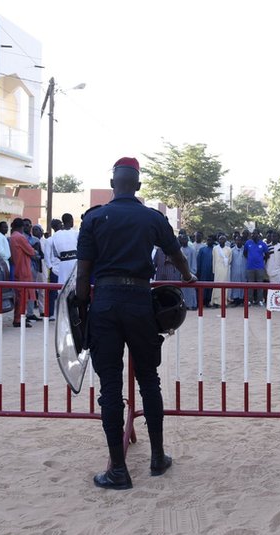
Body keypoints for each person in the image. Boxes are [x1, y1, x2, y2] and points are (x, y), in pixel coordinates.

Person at [75, 157, 195, 490]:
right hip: (141, 303)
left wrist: (83, 313)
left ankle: (118, 471)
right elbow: (176, 255)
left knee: (110, 388)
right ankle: (157, 458)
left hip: (106, 305)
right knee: (148, 380)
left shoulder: (95, 218)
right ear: (138, 186)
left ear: (113, 184)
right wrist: (188, 277)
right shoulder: (152, 218)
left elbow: (83, 274)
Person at [47, 213, 78, 318]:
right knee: (74, 288)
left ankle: (63, 313)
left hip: (63, 264)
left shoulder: (56, 235)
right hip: (74, 263)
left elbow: (55, 253)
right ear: (72, 221)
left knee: (63, 289)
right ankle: (73, 312)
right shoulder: (76, 233)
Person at [8, 218, 36, 328]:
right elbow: (31, 251)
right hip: (23, 269)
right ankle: (19, 319)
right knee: (23, 296)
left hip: (17, 268)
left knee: (19, 296)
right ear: (22, 227)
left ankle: (18, 318)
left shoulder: (12, 237)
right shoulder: (20, 237)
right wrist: (35, 251)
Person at [243, 229, 269, 305]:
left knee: (260, 285)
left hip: (260, 267)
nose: (252, 235)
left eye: (254, 234)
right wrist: (250, 259)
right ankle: (250, 301)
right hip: (250, 267)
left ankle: (260, 300)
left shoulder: (263, 244)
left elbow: (267, 254)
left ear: (258, 234)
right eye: (252, 234)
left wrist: (261, 260)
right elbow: (245, 253)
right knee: (250, 285)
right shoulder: (248, 243)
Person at [179, 233, 198, 310]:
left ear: (187, 240)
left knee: (191, 289)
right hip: (181, 273)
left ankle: (192, 304)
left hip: (190, 272)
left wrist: (193, 271)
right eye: (182, 239)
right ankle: (184, 305)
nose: (184, 241)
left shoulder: (192, 250)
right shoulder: (179, 250)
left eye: (185, 239)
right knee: (183, 290)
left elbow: (194, 262)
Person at [211, 234, 232, 307]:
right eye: (220, 239)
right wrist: (214, 270)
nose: (221, 241)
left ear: (225, 241)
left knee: (224, 285)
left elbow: (230, 260)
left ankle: (224, 302)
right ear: (218, 240)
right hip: (217, 269)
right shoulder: (215, 248)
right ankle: (216, 301)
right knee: (216, 285)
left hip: (225, 270)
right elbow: (214, 260)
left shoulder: (229, 249)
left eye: (223, 239)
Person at [196, 235, 215, 307]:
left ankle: (208, 301)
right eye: (208, 240)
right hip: (203, 271)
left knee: (210, 286)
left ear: (213, 241)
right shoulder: (202, 250)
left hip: (212, 271)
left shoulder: (215, 249)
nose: (209, 241)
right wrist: (198, 271)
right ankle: (201, 301)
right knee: (202, 286)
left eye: (210, 240)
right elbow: (199, 261)